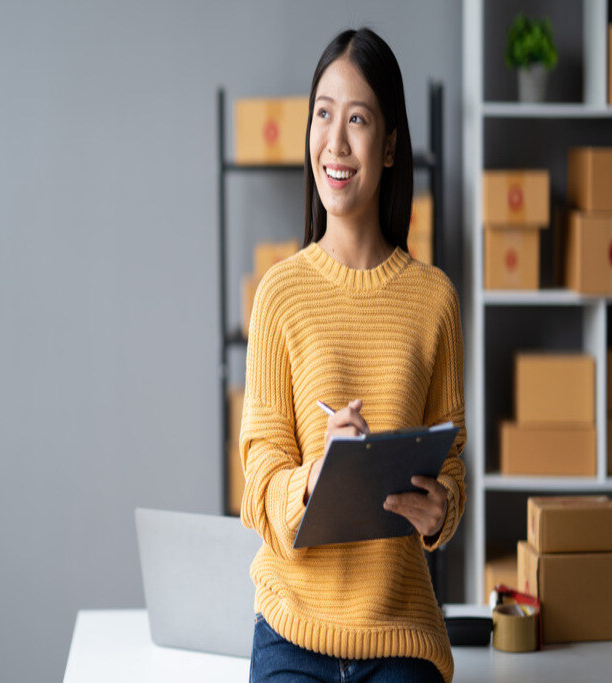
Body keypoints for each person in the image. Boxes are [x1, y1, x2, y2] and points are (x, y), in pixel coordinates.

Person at [239, 27, 465, 683]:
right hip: (292, 631)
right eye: (324, 114)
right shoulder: (279, 293)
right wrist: (314, 474)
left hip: (400, 631)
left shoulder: (435, 299)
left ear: (390, 144)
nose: (335, 142)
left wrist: (440, 507)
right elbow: (257, 484)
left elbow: (452, 462)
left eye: (359, 119)